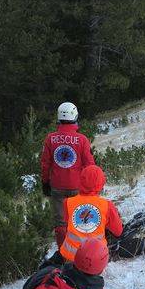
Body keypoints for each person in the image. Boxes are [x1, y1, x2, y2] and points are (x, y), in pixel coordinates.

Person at [40, 102, 95, 248]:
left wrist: (45, 183)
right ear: (75, 116)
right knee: (80, 219)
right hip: (77, 187)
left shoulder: (50, 139)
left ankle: (64, 253)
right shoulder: (82, 140)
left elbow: (45, 163)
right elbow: (90, 166)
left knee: (60, 223)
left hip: (57, 186)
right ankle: (81, 250)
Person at [57, 164, 123, 264]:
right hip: (96, 258)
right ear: (101, 183)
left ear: (81, 180)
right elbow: (118, 231)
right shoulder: (107, 205)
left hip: (70, 256)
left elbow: (68, 226)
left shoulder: (68, 202)